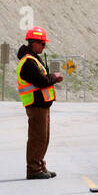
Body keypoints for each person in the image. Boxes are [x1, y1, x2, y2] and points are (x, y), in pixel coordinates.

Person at [17, 26, 63, 179]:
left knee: (44, 138)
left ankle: (40, 165)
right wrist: (54, 77)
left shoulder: (34, 59)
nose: (44, 46)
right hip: (35, 106)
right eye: (42, 43)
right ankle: (33, 170)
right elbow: (41, 81)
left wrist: (51, 78)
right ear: (33, 43)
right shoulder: (28, 62)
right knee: (37, 137)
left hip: (42, 105)